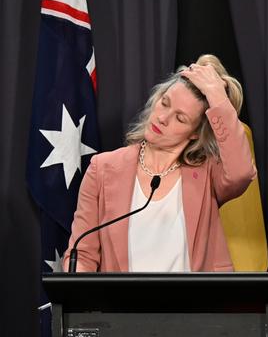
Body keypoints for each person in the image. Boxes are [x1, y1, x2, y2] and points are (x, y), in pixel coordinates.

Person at [64, 54, 255, 272]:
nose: (163, 117)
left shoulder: (207, 174)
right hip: (121, 306)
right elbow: (82, 254)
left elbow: (242, 172)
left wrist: (217, 97)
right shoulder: (102, 168)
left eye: (180, 118)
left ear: (194, 133)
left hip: (194, 305)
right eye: (164, 103)